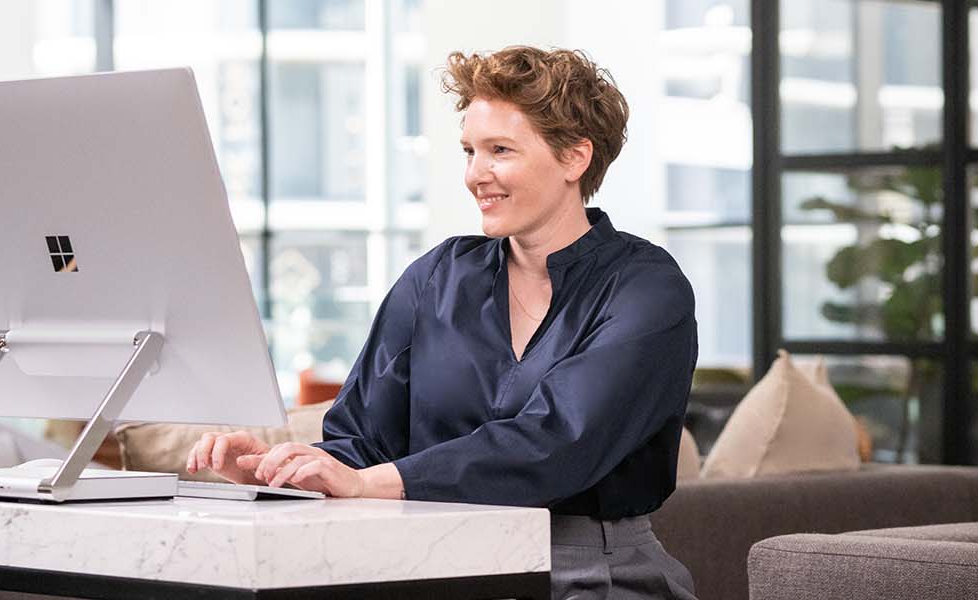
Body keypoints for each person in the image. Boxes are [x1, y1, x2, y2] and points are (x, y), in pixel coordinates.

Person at [186, 45, 699, 599]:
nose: (476, 175)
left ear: (575, 158)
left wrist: (370, 483)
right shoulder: (436, 277)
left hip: (587, 573)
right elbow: (360, 438)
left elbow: (559, 443)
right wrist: (279, 475)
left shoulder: (647, 288)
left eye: (500, 150)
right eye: (469, 151)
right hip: (434, 561)